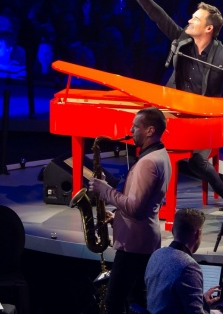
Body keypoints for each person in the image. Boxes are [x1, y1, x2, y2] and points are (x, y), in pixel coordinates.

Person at [120, 0, 223, 204]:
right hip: (172, 110)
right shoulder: (182, 41)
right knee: (145, 136)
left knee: (197, 160)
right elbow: (161, 19)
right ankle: (141, 196)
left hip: (203, 118)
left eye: (195, 18)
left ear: (209, 28)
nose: (189, 19)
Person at [89, 107, 171, 312]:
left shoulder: (148, 163)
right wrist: (117, 216)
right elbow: (143, 205)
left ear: (150, 130)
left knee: (114, 301)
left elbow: (134, 207)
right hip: (143, 240)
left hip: (134, 245)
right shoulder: (161, 154)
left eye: (135, 127)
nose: (130, 130)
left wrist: (105, 191)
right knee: (137, 300)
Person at [144, 208, 221, 314]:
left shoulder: (156, 254)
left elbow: (167, 301)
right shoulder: (189, 266)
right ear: (198, 234)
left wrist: (202, 301)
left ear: (172, 230)